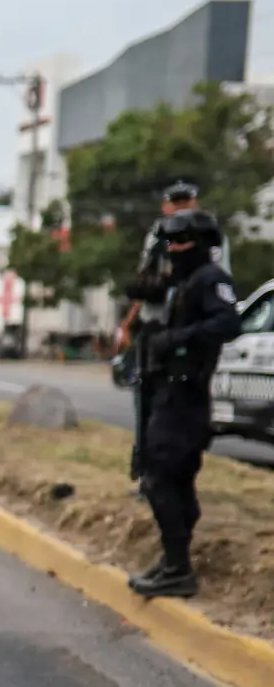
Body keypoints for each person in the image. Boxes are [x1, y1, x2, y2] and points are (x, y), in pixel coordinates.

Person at [128, 209, 241, 598]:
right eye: (170, 242)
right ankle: (172, 559)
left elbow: (228, 323)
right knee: (172, 479)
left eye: (182, 241)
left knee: (159, 478)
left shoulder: (210, 279)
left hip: (186, 398)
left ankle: (178, 568)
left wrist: (178, 339)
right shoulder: (184, 282)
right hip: (170, 393)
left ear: (203, 244)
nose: (174, 249)